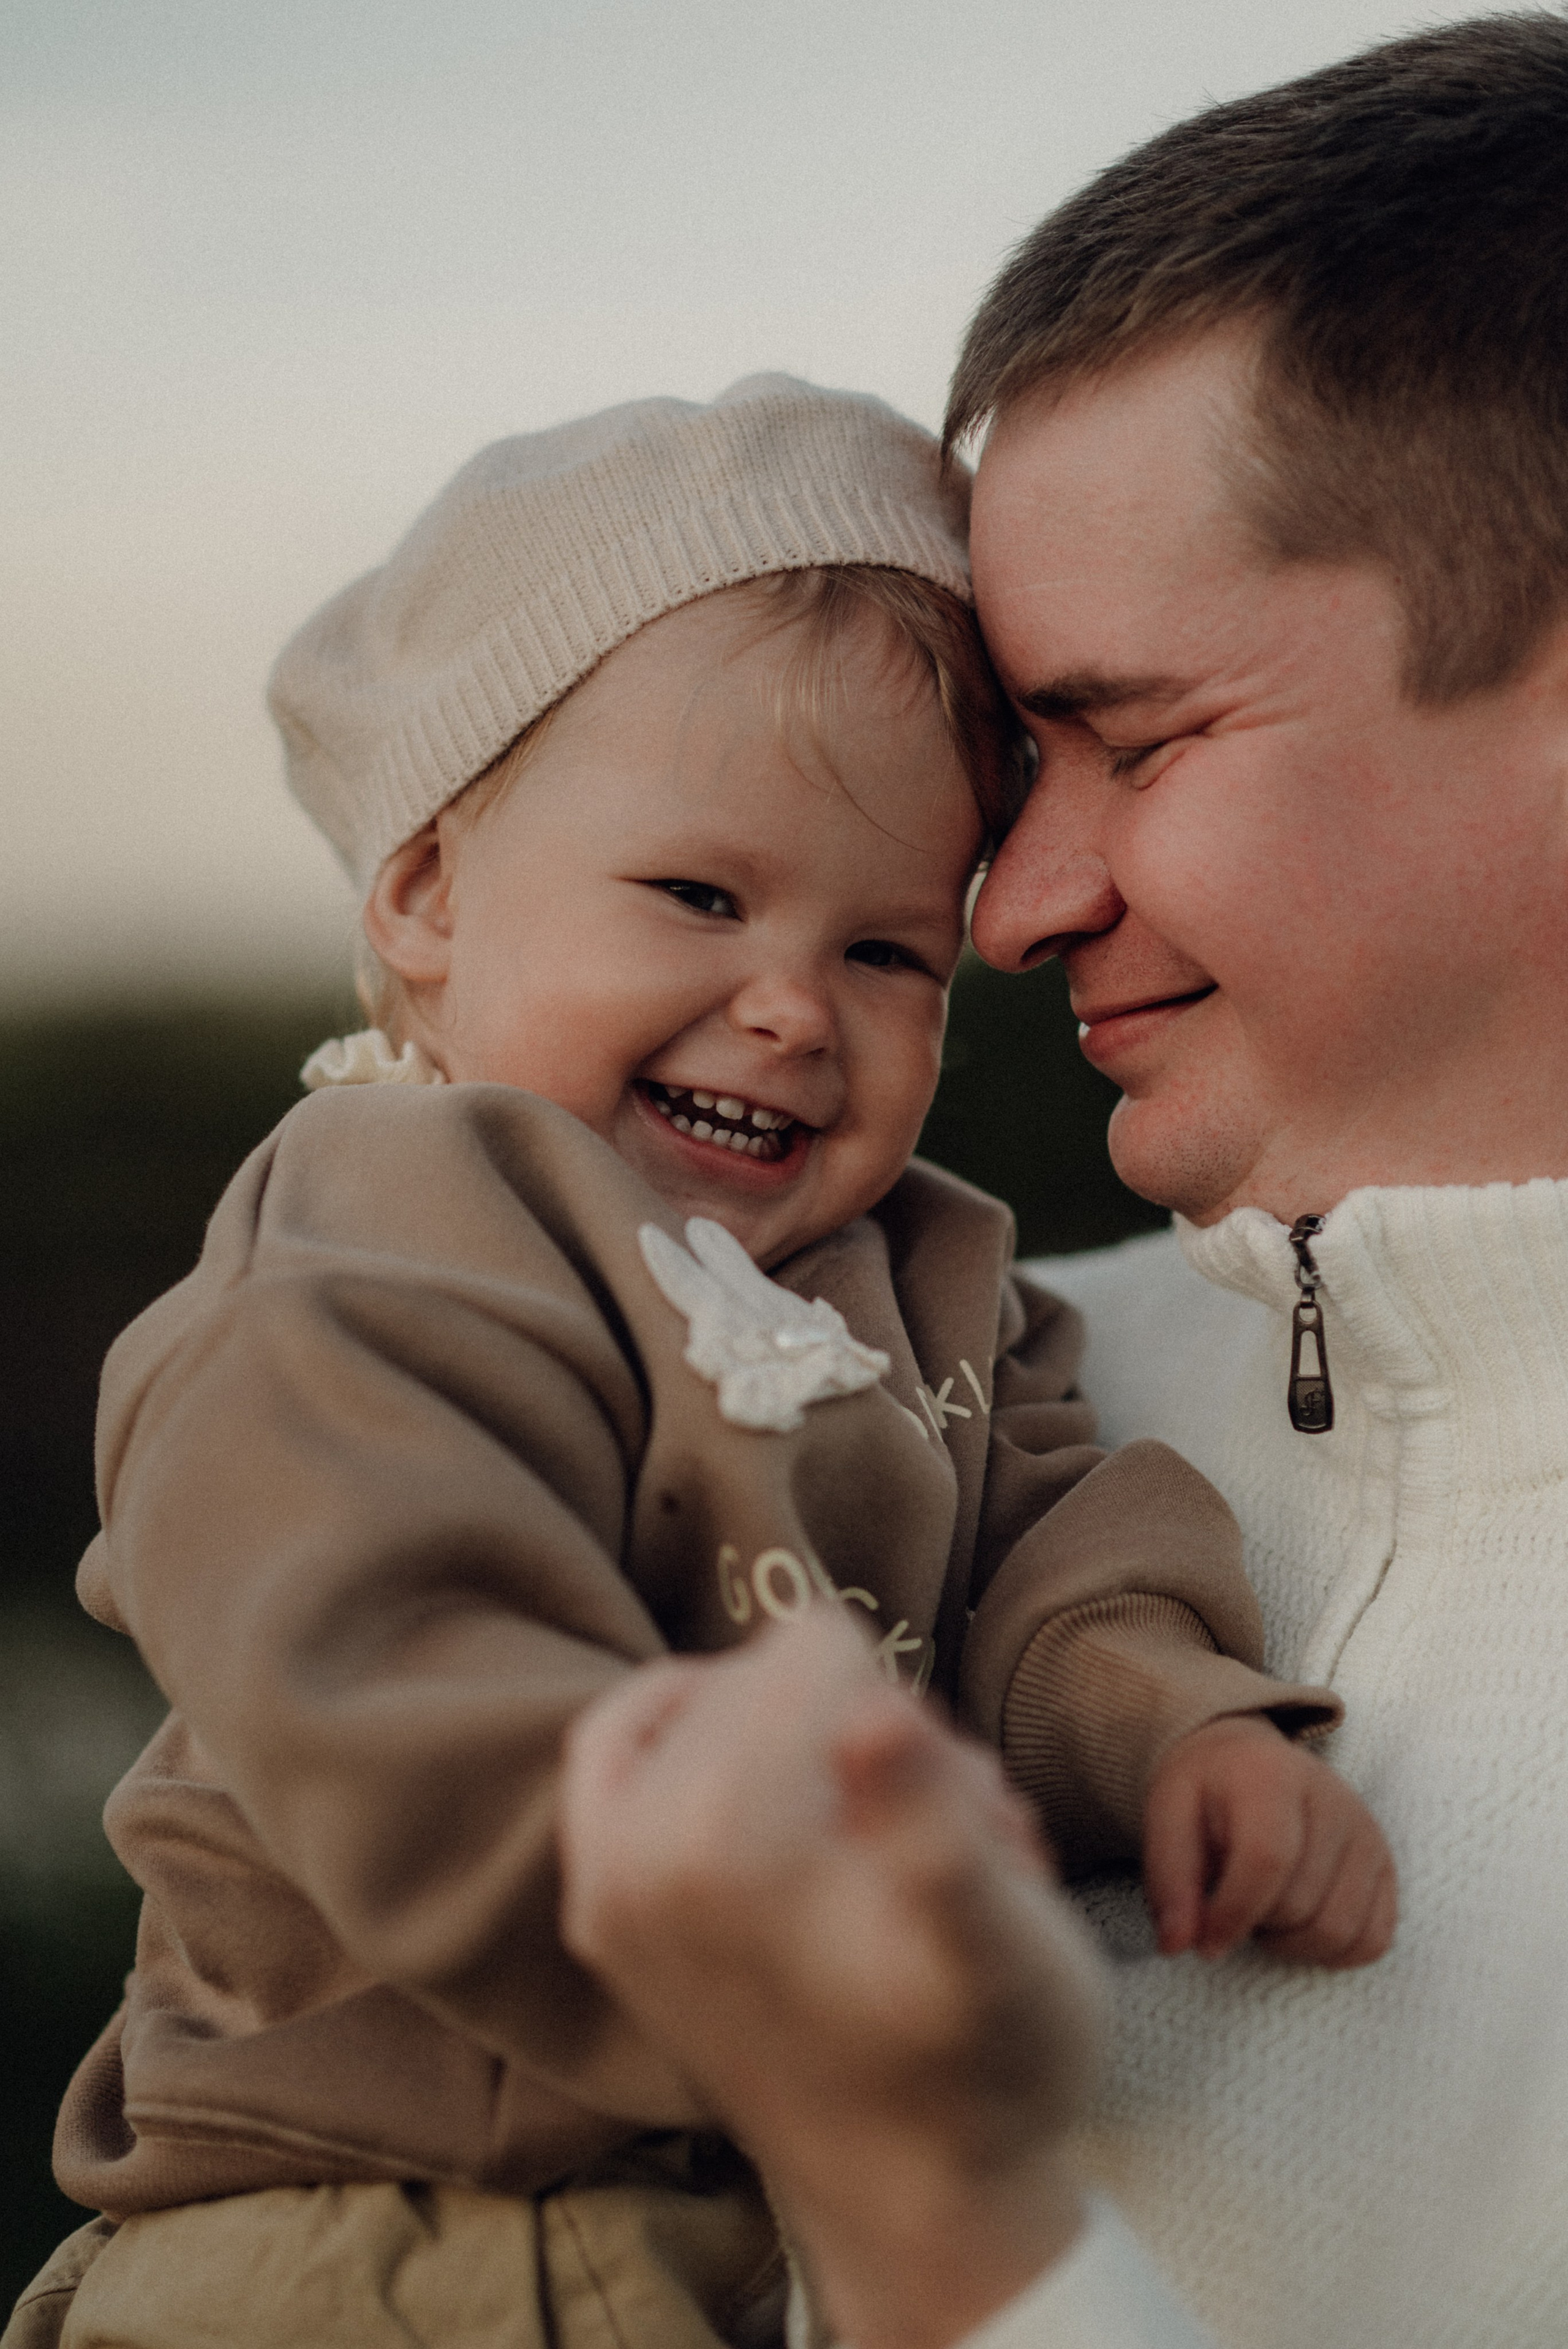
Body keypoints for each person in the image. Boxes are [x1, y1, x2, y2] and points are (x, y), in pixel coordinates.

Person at [4, 377, 1387, 2349]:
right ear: (425, 894)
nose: (788, 1008)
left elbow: (1064, 1546)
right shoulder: (386, 1226)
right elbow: (374, 1640)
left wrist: (1176, 1727)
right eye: (701, 896)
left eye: (889, 951)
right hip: (360, 2230)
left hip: (735, 2232)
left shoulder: (933, 1271)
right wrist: (767, 1925)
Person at [554, 15, 1568, 2349]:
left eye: (1135, 734)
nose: (1008, 904)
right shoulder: (930, 1388)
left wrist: (932, 2224)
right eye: (1026, 759)